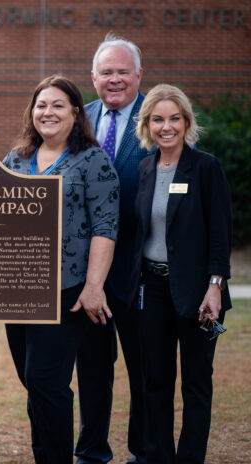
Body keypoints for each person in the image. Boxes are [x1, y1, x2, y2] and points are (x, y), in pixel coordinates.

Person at [3, 75, 120, 464]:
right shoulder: (16, 158)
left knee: (45, 381)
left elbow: (106, 225)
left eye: (57, 105)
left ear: (75, 112)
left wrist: (94, 286)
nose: (47, 112)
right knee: (33, 383)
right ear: (31, 112)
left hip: (67, 290)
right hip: (19, 291)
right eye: (40, 105)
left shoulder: (92, 160)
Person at [129, 83, 232, 464]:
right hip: (153, 290)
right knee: (154, 382)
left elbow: (220, 235)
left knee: (195, 384)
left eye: (174, 118)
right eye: (158, 119)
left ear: (186, 122)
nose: (166, 126)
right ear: (148, 125)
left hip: (198, 292)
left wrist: (215, 287)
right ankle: (158, 457)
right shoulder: (144, 169)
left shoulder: (206, 167)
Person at [77, 33, 151, 464]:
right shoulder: (77, 119)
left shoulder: (159, 117)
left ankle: (144, 452)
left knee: (144, 372)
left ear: (139, 75)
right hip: (88, 276)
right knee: (91, 370)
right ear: (93, 77)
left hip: (141, 272)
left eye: (124, 71)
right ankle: (90, 452)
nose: (116, 79)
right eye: (107, 72)